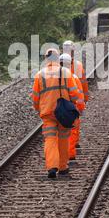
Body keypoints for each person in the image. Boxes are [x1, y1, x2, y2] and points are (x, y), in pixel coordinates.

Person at [31, 48, 83, 179]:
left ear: (46, 59)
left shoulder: (39, 75)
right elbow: (74, 93)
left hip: (47, 113)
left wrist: (39, 109)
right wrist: (76, 105)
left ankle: (52, 167)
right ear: (58, 58)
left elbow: (35, 97)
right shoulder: (65, 72)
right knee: (63, 139)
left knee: (50, 139)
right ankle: (63, 167)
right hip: (63, 113)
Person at [63, 40, 89, 149]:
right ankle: (72, 147)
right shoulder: (77, 65)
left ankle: (69, 146)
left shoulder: (58, 64)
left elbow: (83, 83)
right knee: (74, 124)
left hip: (65, 98)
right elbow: (83, 84)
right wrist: (84, 99)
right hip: (74, 98)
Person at [59, 53, 85, 162]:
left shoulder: (52, 76)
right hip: (71, 109)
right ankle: (70, 155)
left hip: (57, 109)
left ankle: (59, 157)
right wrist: (80, 108)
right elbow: (79, 95)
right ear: (70, 64)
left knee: (58, 134)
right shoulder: (73, 77)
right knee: (72, 132)